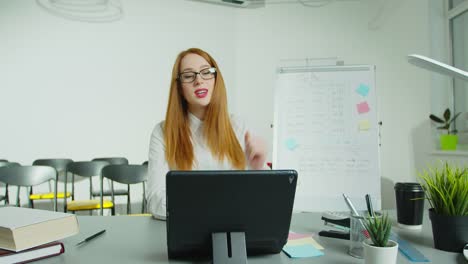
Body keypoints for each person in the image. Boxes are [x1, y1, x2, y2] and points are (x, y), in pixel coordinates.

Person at [147, 48, 267, 219]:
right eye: (189, 76)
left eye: (206, 72)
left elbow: (263, 201)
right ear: (179, 88)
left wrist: (258, 169)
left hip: (235, 232)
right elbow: (155, 201)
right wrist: (222, 201)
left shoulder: (240, 126)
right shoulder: (163, 132)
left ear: (216, 79)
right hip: (187, 233)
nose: (199, 80)